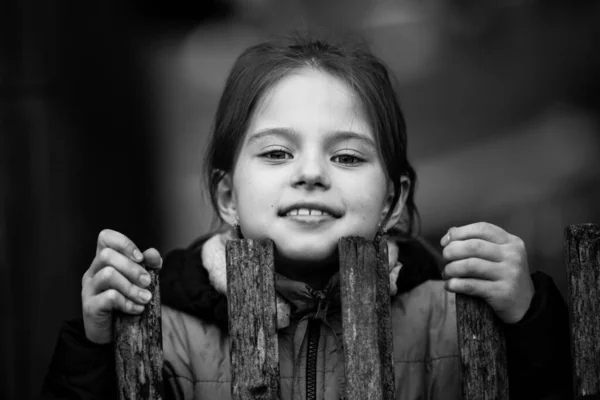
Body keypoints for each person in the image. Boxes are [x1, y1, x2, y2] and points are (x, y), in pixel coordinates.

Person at [42, 35, 572, 400]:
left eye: (347, 157)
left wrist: (530, 320)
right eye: (277, 153)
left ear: (392, 198)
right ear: (228, 196)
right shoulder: (166, 330)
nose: (312, 173)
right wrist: (94, 350)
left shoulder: (453, 318)